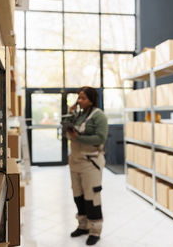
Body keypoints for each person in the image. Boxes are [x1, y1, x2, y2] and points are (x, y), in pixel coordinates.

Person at [64, 86, 108, 246]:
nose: (79, 101)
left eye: (82, 98)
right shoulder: (78, 115)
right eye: (78, 98)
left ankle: (95, 230)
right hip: (75, 161)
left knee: (91, 197)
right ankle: (83, 225)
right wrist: (70, 114)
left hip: (91, 162)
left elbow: (100, 138)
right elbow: (66, 132)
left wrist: (79, 138)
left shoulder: (99, 116)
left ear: (91, 99)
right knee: (78, 196)